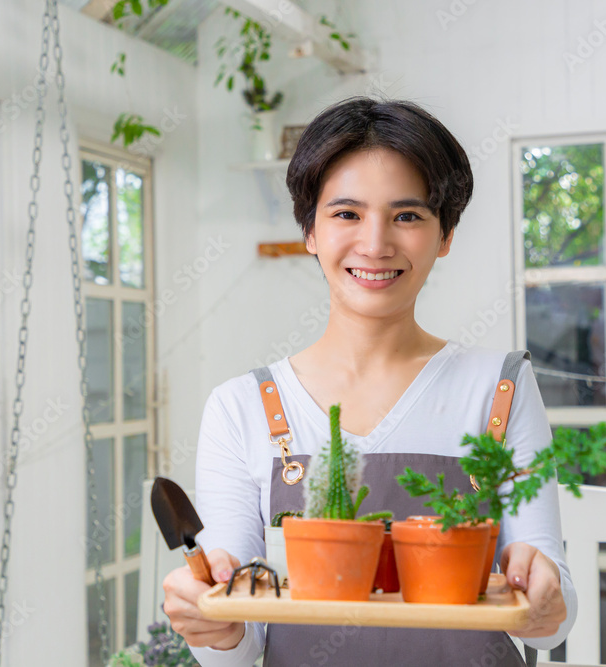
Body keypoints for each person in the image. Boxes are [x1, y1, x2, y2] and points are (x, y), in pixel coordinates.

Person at [161, 97, 577, 666]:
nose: (376, 243)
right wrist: (212, 624)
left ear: (445, 233)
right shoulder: (243, 407)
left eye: (407, 215)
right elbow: (237, 644)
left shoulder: (500, 388)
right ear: (309, 230)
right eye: (346, 214)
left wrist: (549, 601)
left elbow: (545, 622)